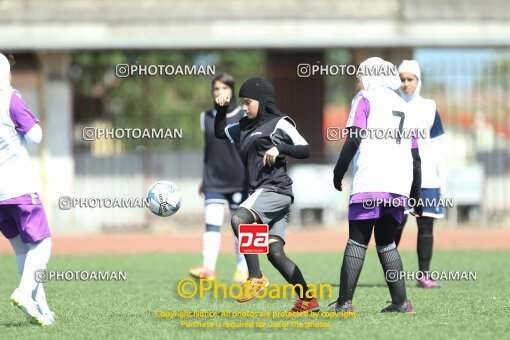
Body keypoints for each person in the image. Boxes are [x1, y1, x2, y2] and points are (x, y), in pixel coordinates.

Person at [214, 77, 319, 312]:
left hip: (274, 189)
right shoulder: (243, 126)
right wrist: (221, 108)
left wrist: (279, 147)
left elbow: (305, 149)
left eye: (248, 102)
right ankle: (308, 300)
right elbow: (220, 132)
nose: (243, 107)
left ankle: (255, 277)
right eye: (241, 102)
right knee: (274, 252)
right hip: (265, 194)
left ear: (262, 102)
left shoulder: (279, 123)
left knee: (239, 218)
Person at [330, 57, 422, 314]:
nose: (357, 80)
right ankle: (402, 302)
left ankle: (344, 303)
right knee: (386, 243)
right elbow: (416, 158)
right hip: (398, 188)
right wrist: (415, 196)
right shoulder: (405, 106)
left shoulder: (365, 99)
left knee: (357, 242)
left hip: (370, 181)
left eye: (359, 75)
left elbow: (354, 139)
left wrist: (338, 172)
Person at [0, 53, 54, 325]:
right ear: (7, 74)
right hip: (19, 188)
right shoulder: (10, 98)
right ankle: (23, 292)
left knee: (23, 251)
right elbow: (36, 136)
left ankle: (41, 310)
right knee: (43, 245)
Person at [189, 73, 249, 283]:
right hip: (214, 180)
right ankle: (208, 268)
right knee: (211, 224)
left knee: (240, 226)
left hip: (240, 180)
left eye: (224, 88)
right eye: (216, 88)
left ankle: (243, 269)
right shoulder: (204, 117)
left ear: (232, 90)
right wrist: (204, 179)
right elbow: (208, 151)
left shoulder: (243, 115)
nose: (219, 92)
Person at [393, 60, 446, 288]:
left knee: (426, 226)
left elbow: (438, 144)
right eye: (402, 79)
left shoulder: (430, 107)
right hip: (398, 177)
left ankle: (424, 276)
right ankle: (392, 274)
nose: (406, 84)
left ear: (418, 81)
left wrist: (442, 179)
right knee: (396, 223)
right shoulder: (391, 105)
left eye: (410, 79)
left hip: (427, 178)